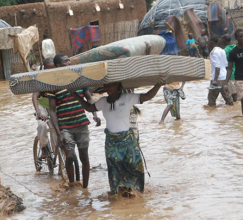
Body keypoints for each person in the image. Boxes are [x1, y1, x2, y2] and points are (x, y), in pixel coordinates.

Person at [69, 82, 162, 196]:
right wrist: (75, 95)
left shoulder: (127, 98)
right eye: (106, 86)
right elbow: (89, 108)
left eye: (111, 85)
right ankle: (117, 194)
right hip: (111, 142)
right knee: (114, 167)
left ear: (118, 86)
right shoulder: (103, 101)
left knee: (134, 164)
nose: (108, 88)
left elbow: (147, 96)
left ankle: (136, 194)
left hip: (128, 140)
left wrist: (158, 85)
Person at [47, 54, 101, 188]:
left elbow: (89, 98)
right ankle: (72, 185)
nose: (69, 62)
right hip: (66, 127)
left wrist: (94, 114)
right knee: (69, 156)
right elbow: (52, 111)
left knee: (84, 158)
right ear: (58, 66)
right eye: (66, 61)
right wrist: (58, 133)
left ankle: (85, 188)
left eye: (69, 60)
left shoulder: (79, 79)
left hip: (82, 124)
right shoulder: (54, 85)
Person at [32, 58, 55, 159]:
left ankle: (58, 156)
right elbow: (35, 96)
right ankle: (44, 148)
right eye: (48, 68)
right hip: (42, 106)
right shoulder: (41, 79)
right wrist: (38, 112)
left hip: (54, 106)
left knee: (57, 131)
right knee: (42, 125)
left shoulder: (59, 78)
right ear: (44, 68)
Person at [207, 36, 233, 106]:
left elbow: (217, 67)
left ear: (212, 42)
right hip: (224, 78)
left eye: (208, 41)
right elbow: (225, 65)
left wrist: (215, 80)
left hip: (217, 79)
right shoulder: (222, 50)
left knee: (211, 101)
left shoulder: (213, 52)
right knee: (229, 99)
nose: (207, 43)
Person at [222, 34, 238, 101]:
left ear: (224, 40)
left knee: (233, 94)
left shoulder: (225, 51)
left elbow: (224, 64)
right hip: (239, 74)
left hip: (230, 75)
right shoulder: (236, 47)